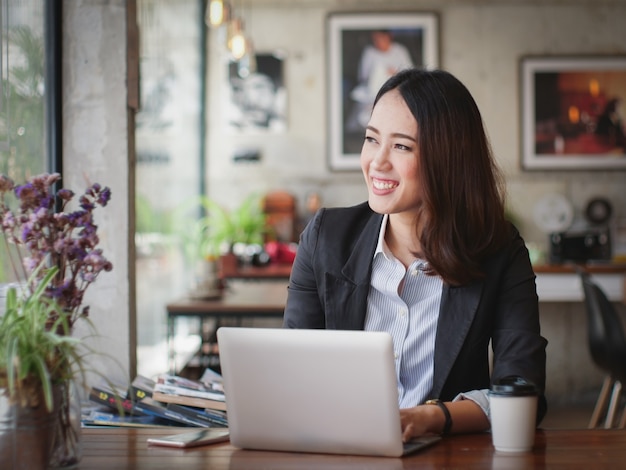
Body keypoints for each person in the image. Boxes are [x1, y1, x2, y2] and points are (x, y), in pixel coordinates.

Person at [283, 68, 547, 442]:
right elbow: (292, 372)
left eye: (402, 146)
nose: (377, 162)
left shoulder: (499, 250)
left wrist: (432, 417)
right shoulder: (326, 238)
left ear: (448, 159)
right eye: (372, 139)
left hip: (446, 457)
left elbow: (522, 390)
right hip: (337, 450)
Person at [347, 30, 413, 132]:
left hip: (397, 90)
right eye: (375, 39)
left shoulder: (400, 50)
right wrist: (378, 73)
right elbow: (363, 75)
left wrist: (395, 72)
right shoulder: (370, 52)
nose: (378, 42)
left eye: (380, 38)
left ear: (388, 37)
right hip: (373, 91)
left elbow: (409, 72)